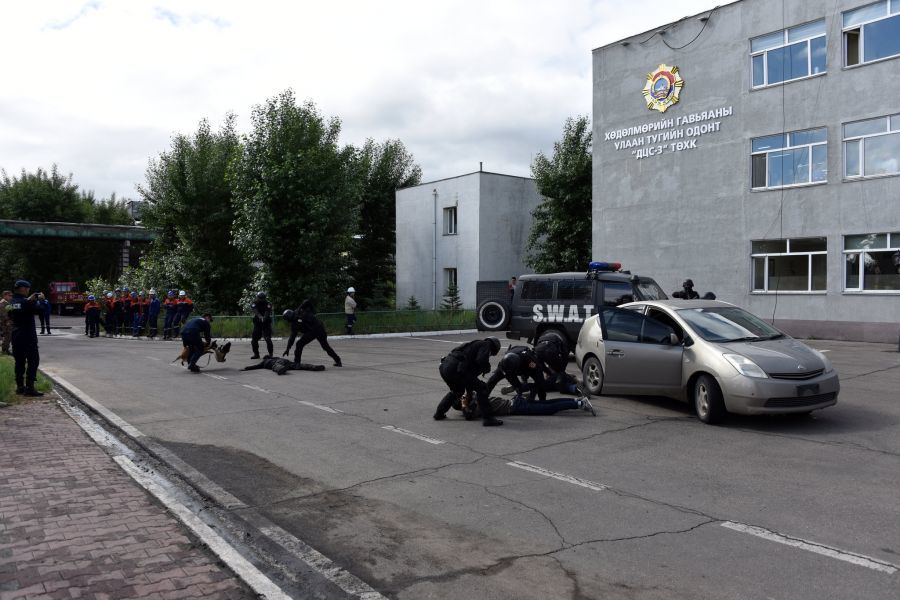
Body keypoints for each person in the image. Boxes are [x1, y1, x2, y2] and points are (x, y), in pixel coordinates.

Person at [433, 337, 503, 426]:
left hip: (445, 367)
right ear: (495, 347)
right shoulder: (486, 345)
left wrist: (470, 392)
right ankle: (488, 419)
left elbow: (469, 379)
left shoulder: (471, 346)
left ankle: (439, 413)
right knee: (482, 389)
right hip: (456, 368)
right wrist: (486, 368)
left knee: (457, 391)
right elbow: (481, 360)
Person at [9, 280, 43, 396]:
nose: (28, 290)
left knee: (19, 362)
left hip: (16, 335)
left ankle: (20, 387)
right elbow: (40, 310)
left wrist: (29, 300)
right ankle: (30, 387)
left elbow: (10, 314)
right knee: (33, 360)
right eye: (28, 288)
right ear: (23, 289)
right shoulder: (27, 302)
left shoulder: (11, 302)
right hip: (28, 336)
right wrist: (40, 300)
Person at [282, 300, 342, 367]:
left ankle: (297, 363)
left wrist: (312, 311)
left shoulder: (298, 313)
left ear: (288, 317)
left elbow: (307, 301)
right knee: (325, 346)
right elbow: (292, 337)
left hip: (316, 329)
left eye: (286, 319)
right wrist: (288, 348)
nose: (287, 321)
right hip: (319, 328)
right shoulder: (295, 321)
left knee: (299, 344)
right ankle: (338, 360)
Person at [460, 393, 595, 419]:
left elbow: (469, 415)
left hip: (517, 407)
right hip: (517, 402)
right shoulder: (479, 395)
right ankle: (576, 400)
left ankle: (579, 403)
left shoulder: (479, 406)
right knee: (548, 404)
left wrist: (463, 404)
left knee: (549, 408)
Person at [533, 332, 584, 396]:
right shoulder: (559, 342)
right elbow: (564, 357)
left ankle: (576, 386)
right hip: (550, 352)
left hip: (539, 353)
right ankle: (576, 386)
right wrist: (561, 370)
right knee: (561, 381)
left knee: (559, 380)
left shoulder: (542, 339)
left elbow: (542, 365)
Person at [250, 291, 274, 359]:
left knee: (268, 339)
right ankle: (256, 354)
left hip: (266, 324)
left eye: (262, 298)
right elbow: (255, 311)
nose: (260, 300)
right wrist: (260, 317)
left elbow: (267, 312)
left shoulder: (268, 303)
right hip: (258, 324)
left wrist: (264, 318)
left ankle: (270, 354)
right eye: (259, 298)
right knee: (254, 340)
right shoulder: (254, 303)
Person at [242, 356, 325, 375]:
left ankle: (281, 369)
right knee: (299, 365)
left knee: (275, 366)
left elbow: (255, 366)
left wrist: (246, 368)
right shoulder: (275, 357)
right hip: (286, 361)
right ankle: (313, 367)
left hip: (278, 363)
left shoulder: (265, 362)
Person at [0, 290, 12, 355]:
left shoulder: (7, 302)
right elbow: (3, 314)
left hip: (8, 322)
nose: (11, 297)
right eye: (9, 295)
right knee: (7, 336)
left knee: (8, 336)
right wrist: (7, 321)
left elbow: (10, 311)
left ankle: (5, 349)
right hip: (6, 323)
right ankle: (5, 349)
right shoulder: (3, 303)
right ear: (5, 295)